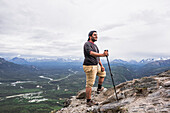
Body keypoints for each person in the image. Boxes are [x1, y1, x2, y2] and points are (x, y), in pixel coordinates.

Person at [83, 30, 108, 106]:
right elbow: (91, 53)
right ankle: (88, 101)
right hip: (90, 65)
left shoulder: (95, 46)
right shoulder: (87, 44)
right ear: (90, 36)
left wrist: (101, 65)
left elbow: (97, 56)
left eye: (97, 35)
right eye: (94, 35)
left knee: (102, 73)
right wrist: (103, 54)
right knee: (90, 83)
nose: (96, 36)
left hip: (96, 65)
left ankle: (99, 88)